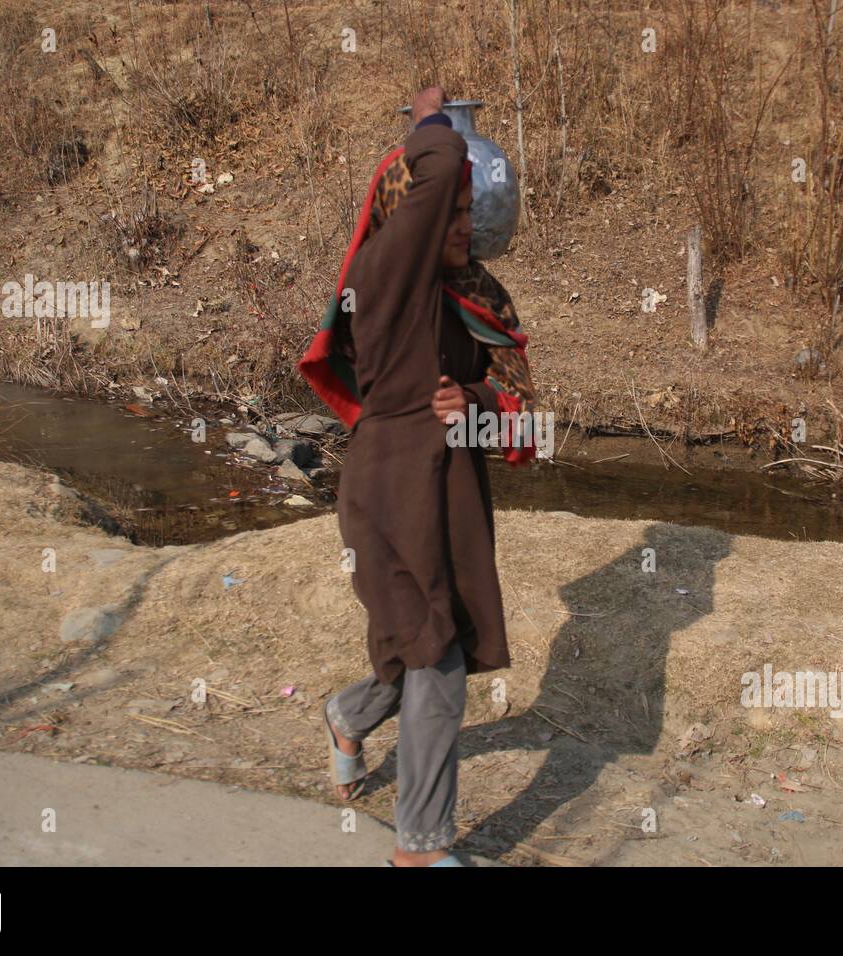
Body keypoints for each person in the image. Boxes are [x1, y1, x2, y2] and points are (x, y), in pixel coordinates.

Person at [298, 85, 536, 866]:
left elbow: (528, 418)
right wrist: (434, 119)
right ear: (416, 211)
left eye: (473, 216)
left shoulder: (478, 295)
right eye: (452, 214)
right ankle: (421, 846)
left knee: (432, 647)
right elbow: (432, 171)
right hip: (390, 493)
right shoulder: (384, 272)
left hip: (456, 496)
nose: (464, 227)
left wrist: (470, 398)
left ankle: (347, 714)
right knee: (434, 655)